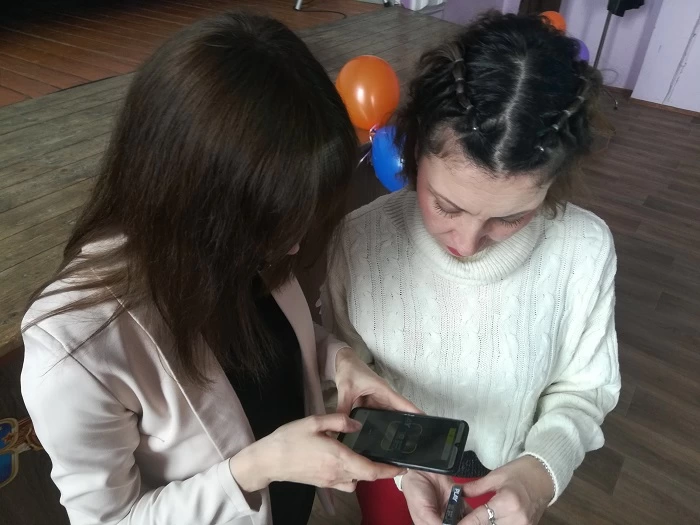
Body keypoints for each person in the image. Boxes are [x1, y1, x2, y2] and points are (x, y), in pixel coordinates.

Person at [20, 13, 417, 525]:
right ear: (198, 197)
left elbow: (269, 346)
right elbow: (109, 519)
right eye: (278, 226)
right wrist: (255, 469)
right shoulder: (74, 348)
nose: (295, 246)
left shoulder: (247, 244)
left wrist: (336, 359)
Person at [321, 11, 621, 525]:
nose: (466, 243)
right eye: (445, 206)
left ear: (555, 183)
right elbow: (339, 375)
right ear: (413, 151)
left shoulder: (584, 251)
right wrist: (402, 468)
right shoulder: (358, 240)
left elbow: (584, 389)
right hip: (391, 474)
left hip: (507, 479)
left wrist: (539, 474)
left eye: (511, 218)